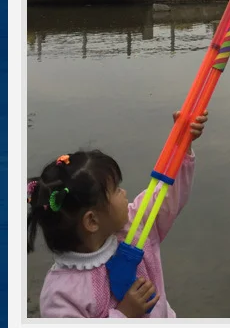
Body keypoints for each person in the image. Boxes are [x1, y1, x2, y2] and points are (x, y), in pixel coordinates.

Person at [28, 110, 209, 318]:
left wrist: (183, 144)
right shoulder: (61, 294)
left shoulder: (135, 226)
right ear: (92, 221)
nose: (124, 193)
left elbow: (165, 196)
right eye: (116, 190)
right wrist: (124, 315)